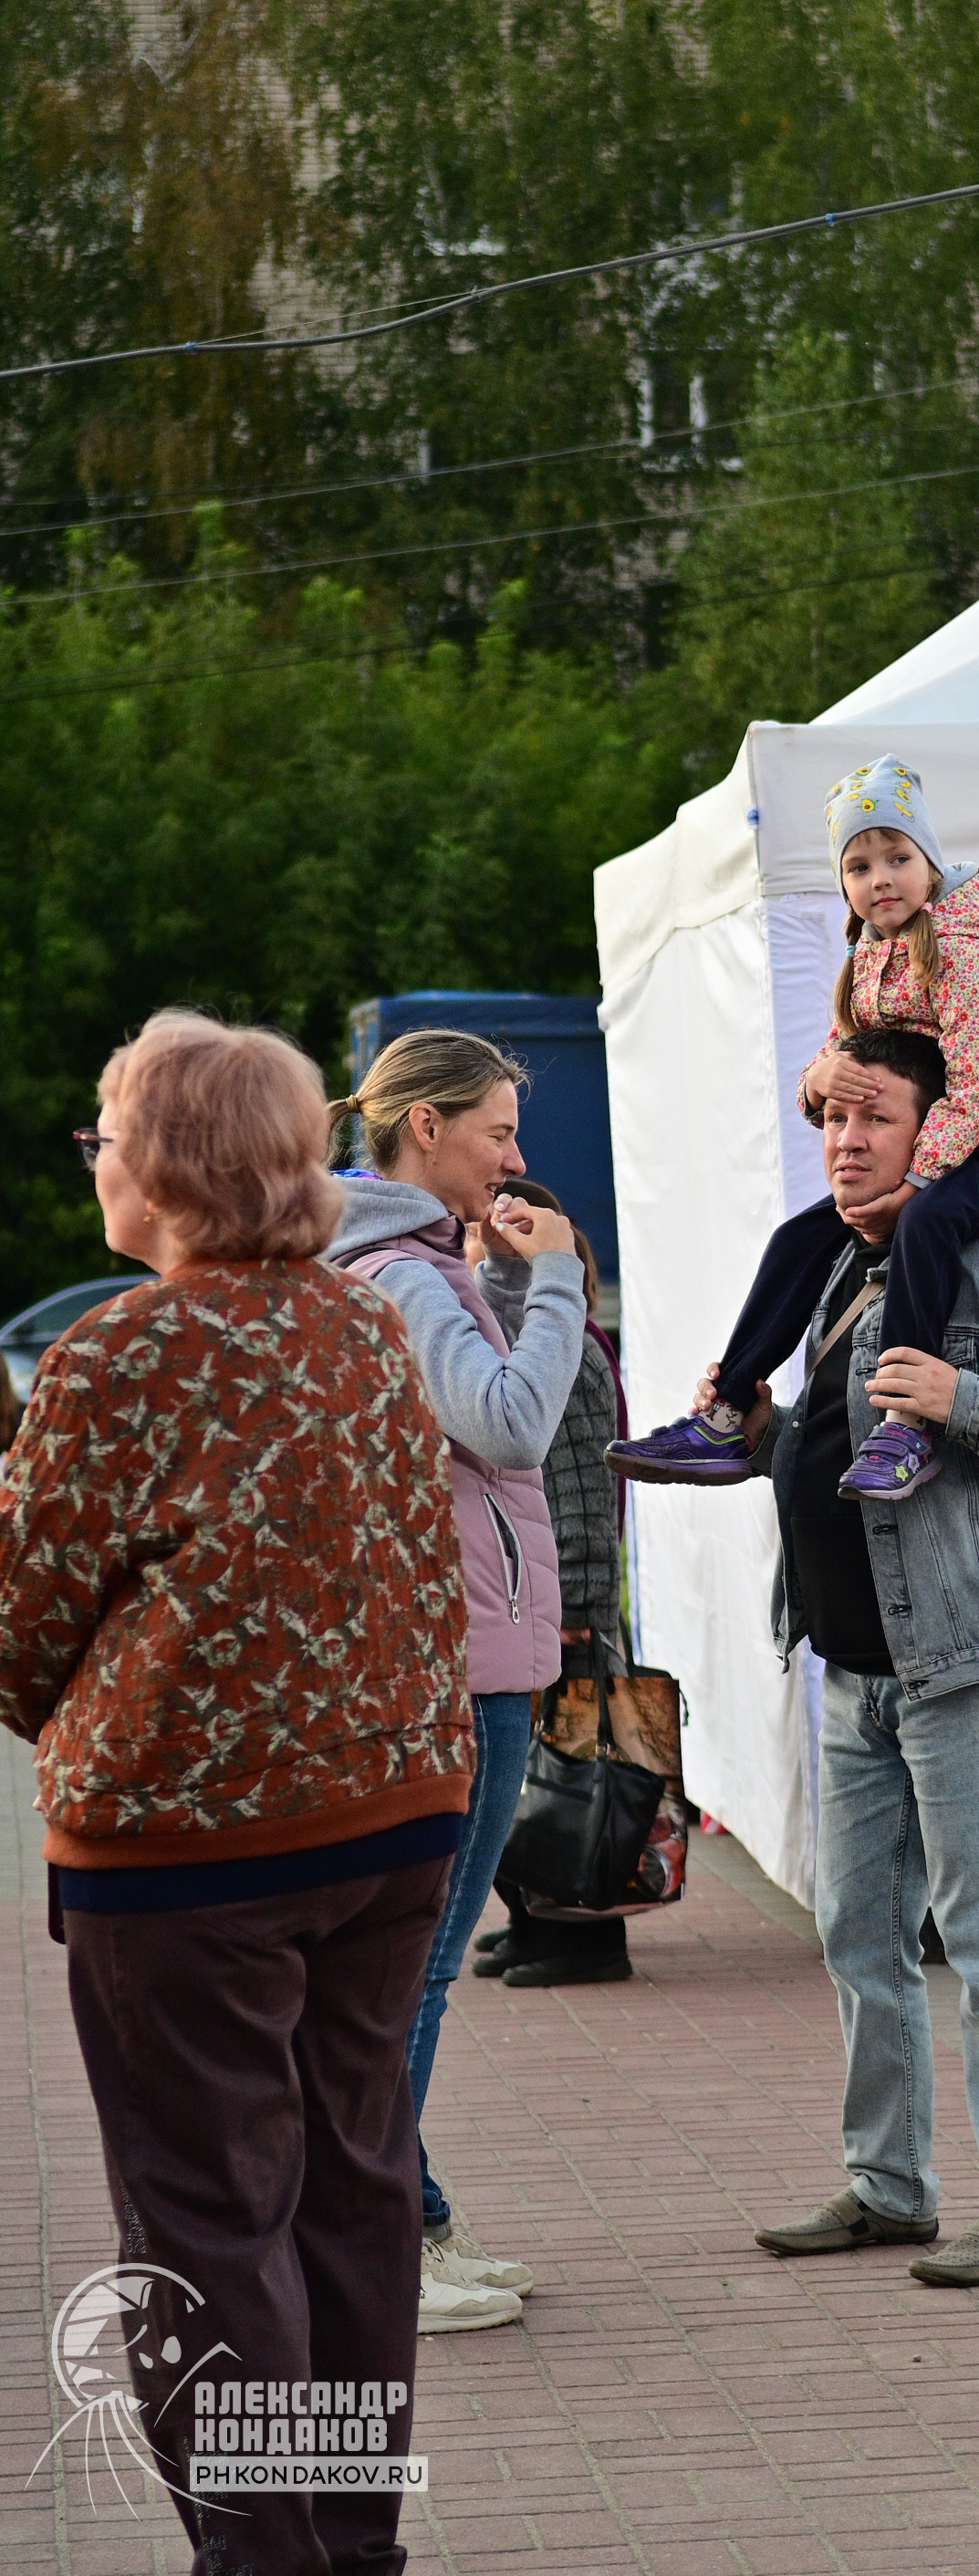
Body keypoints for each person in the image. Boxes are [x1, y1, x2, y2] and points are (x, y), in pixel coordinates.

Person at [0, 1011, 474, 2576]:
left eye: (105, 1131)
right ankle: (347, 2544)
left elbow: (19, 1638)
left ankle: (265, 2556)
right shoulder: (364, 1328)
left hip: (190, 1860)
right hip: (395, 1823)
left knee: (212, 2221)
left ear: (169, 1167)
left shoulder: (114, 1357)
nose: (98, 1159)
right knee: (347, 2190)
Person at [708, 1028, 979, 2285]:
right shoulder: (849, 1266)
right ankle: (889, 2186)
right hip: (851, 1665)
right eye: (833, 1122)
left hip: (964, 1661)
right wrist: (763, 1434)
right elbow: (845, 1437)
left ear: (939, 1132)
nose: (845, 1142)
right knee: (859, 1934)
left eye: (873, 1118)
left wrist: (969, 1403)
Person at [612, 757, 979, 1500]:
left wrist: (915, 1184)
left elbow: (978, 1093)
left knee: (927, 1223)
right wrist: (816, 1081)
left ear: (930, 865)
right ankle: (728, 1413)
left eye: (898, 857)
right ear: (844, 885)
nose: (881, 878)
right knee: (800, 1237)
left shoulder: (969, 956)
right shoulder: (867, 959)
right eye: (859, 866)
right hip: (944, 1147)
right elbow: (843, 1059)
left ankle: (907, 1426)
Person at [324, 1029, 585, 2329]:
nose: (517, 1156)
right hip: (464, 1662)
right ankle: (382, 2248)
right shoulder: (405, 1274)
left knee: (405, 1965)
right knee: (417, 1968)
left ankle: (408, 2216)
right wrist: (558, 1292)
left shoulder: (393, 1263)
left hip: (451, 1645)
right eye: (497, 1129)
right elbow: (509, 1424)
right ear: (424, 1130)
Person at [466, 1179, 688, 1989]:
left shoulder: (568, 1348)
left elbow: (584, 1495)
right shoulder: (529, 1338)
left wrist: (581, 1609)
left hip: (567, 1603)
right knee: (537, 1770)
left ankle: (588, 1936)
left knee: (576, 1772)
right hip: (544, 1597)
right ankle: (536, 1922)